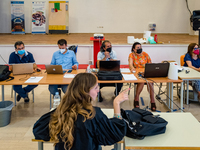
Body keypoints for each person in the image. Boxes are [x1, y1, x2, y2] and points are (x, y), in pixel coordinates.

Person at [33, 73, 128, 150]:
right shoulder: (94, 114)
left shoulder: (60, 111)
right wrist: (116, 103)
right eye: (95, 88)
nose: (98, 91)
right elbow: (116, 133)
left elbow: (38, 130)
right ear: (85, 92)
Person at [128, 42, 156, 111]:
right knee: (142, 81)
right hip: (137, 73)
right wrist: (132, 68)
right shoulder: (131, 55)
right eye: (138, 48)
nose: (140, 49)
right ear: (134, 49)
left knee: (150, 82)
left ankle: (152, 100)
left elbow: (150, 64)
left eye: (140, 47)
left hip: (145, 72)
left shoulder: (145, 54)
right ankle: (136, 98)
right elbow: (130, 64)